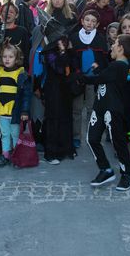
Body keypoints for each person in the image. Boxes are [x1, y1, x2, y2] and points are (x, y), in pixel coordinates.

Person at [84, 34, 130, 191]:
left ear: (121, 48)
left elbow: (98, 79)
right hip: (102, 107)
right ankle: (108, 170)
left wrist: (79, 78)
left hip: (111, 110)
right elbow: (113, 78)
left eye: (115, 44)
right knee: (94, 139)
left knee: (115, 141)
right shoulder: (124, 67)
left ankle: (124, 174)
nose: (112, 47)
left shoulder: (119, 67)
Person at [0, 43, 31, 168]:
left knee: (15, 134)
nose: (7, 59)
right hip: (2, 109)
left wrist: (24, 111)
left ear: (17, 59)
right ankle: (5, 154)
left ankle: (16, 155)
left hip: (15, 110)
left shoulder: (21, 74)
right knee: (5, 134)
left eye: (11, 57)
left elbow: (26, 95)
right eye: (5, 56)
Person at [70, 9, 108, 148]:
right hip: (79, 79)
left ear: (97, 24)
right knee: (77, 109)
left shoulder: (100, 38)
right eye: (87, 20)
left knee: (92, 109)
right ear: (82, 21)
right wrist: (77, 72)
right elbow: (71, 58)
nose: (89, 23)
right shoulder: (74, 37)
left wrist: (99, 66)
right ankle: (76, 137)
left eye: (93, 21)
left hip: (94, 80)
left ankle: (92, 135)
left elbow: (105, 59)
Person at [40, 36, 75, 164]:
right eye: (61, 40)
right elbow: (59, 68)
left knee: (66, 118)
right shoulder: (49, 52)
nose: (64, 42)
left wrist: (69, 51)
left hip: (65, 90)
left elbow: (73, 65)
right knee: (53, 119)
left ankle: (66, 149)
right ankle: (51, 153)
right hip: (53, 90)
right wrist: (62, 52)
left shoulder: (70, 50)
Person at [0, 3, 30, 68]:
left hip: (18, 70)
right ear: (1, 14)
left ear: (16, 15)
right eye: (5, 11)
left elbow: (26, 52)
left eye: (11, 12)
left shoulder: (22, 31)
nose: (8, 14)